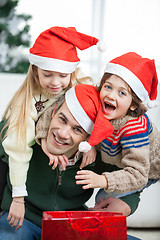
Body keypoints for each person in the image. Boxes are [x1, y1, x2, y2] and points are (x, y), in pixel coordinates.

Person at [0, 84, 140, 240]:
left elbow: (131, 175)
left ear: (88, 138)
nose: (62, 133)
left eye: (77, 130)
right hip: (22, 219)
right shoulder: (25, 135)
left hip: (70, 224)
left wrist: (128, 203)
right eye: (62, 119)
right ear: (54, 112)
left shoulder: (98, 157)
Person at [0, 26, 104, 229]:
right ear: (35, 70)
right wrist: (18, 198)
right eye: (47, 75)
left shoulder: (79, 86)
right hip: (25, 203)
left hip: (66, 217)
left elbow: (96, 116)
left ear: (72, 72)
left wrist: (91, 142)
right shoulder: (26, 104)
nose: (56, 83)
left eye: (63, 75)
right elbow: (19, 150)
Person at [75, 52, 160, 202]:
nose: (111, 96)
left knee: (103, 197)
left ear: (133, 104)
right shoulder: (99, 101)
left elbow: (138, 175)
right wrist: (91, 142)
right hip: (117, 156)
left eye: (122, 93)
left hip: (145, 168)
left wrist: (104, 180)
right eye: (108, 87)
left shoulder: (134, 128)